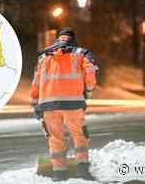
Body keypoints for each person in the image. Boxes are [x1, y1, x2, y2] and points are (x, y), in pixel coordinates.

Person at [30, 28, 97, 181]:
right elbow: (90, 71)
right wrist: (88, 89)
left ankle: (59, 172)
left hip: (48, 104)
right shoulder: (82, 53)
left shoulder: (44, 56)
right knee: (79, 135)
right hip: (74, 103)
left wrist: (35, 103)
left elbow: (36, 82)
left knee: (55, 138)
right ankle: (83, 169)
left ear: (58, 39)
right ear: (73, 39)